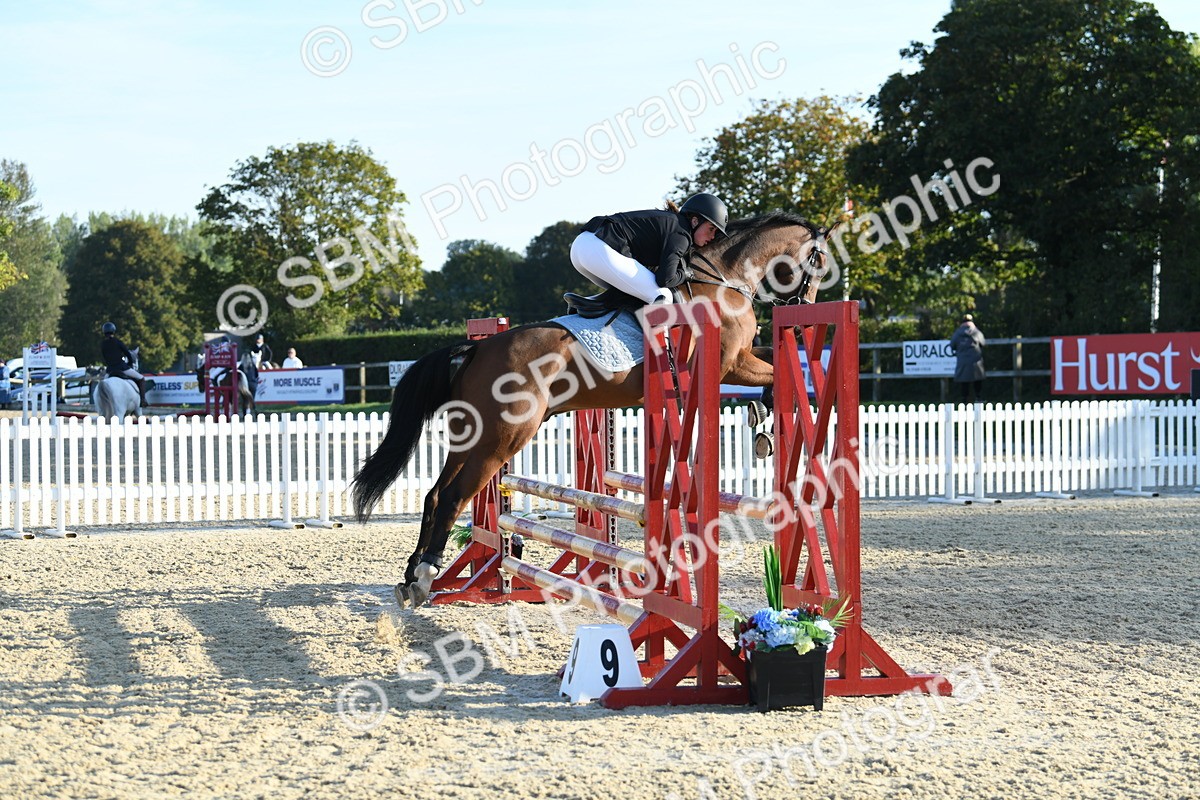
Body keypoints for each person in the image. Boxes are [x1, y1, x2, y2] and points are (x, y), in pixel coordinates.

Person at [570, 193, 729, 305]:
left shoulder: (674, 224)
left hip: (582, 247)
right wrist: (686, 274)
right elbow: (665, 279)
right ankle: (658, 352)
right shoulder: (681, 234)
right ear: (695, 221)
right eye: (711, 229)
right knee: (662, 295)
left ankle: (583, 310)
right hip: (598, 247)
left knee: (632, 295)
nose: (713, 236)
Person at [100, 321, 147, 406]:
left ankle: (103, 403)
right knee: (141, 378)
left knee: (103, 385)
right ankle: (143, 400)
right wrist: (129, 363)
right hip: (122, 368)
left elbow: (104, 357)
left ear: (104, 332)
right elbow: (127, 353)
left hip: (110, 370)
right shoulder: (118, 342)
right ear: (113, 331)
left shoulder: (103, 344)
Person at [950, 313, 986, 402]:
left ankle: (964, 400)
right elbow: (983, 343)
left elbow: (952, 345)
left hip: (962, 360)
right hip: (975, 360)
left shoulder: (957, 333)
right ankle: (978, 398)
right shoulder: (976, 332)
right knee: (977, 379)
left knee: (964, 380)